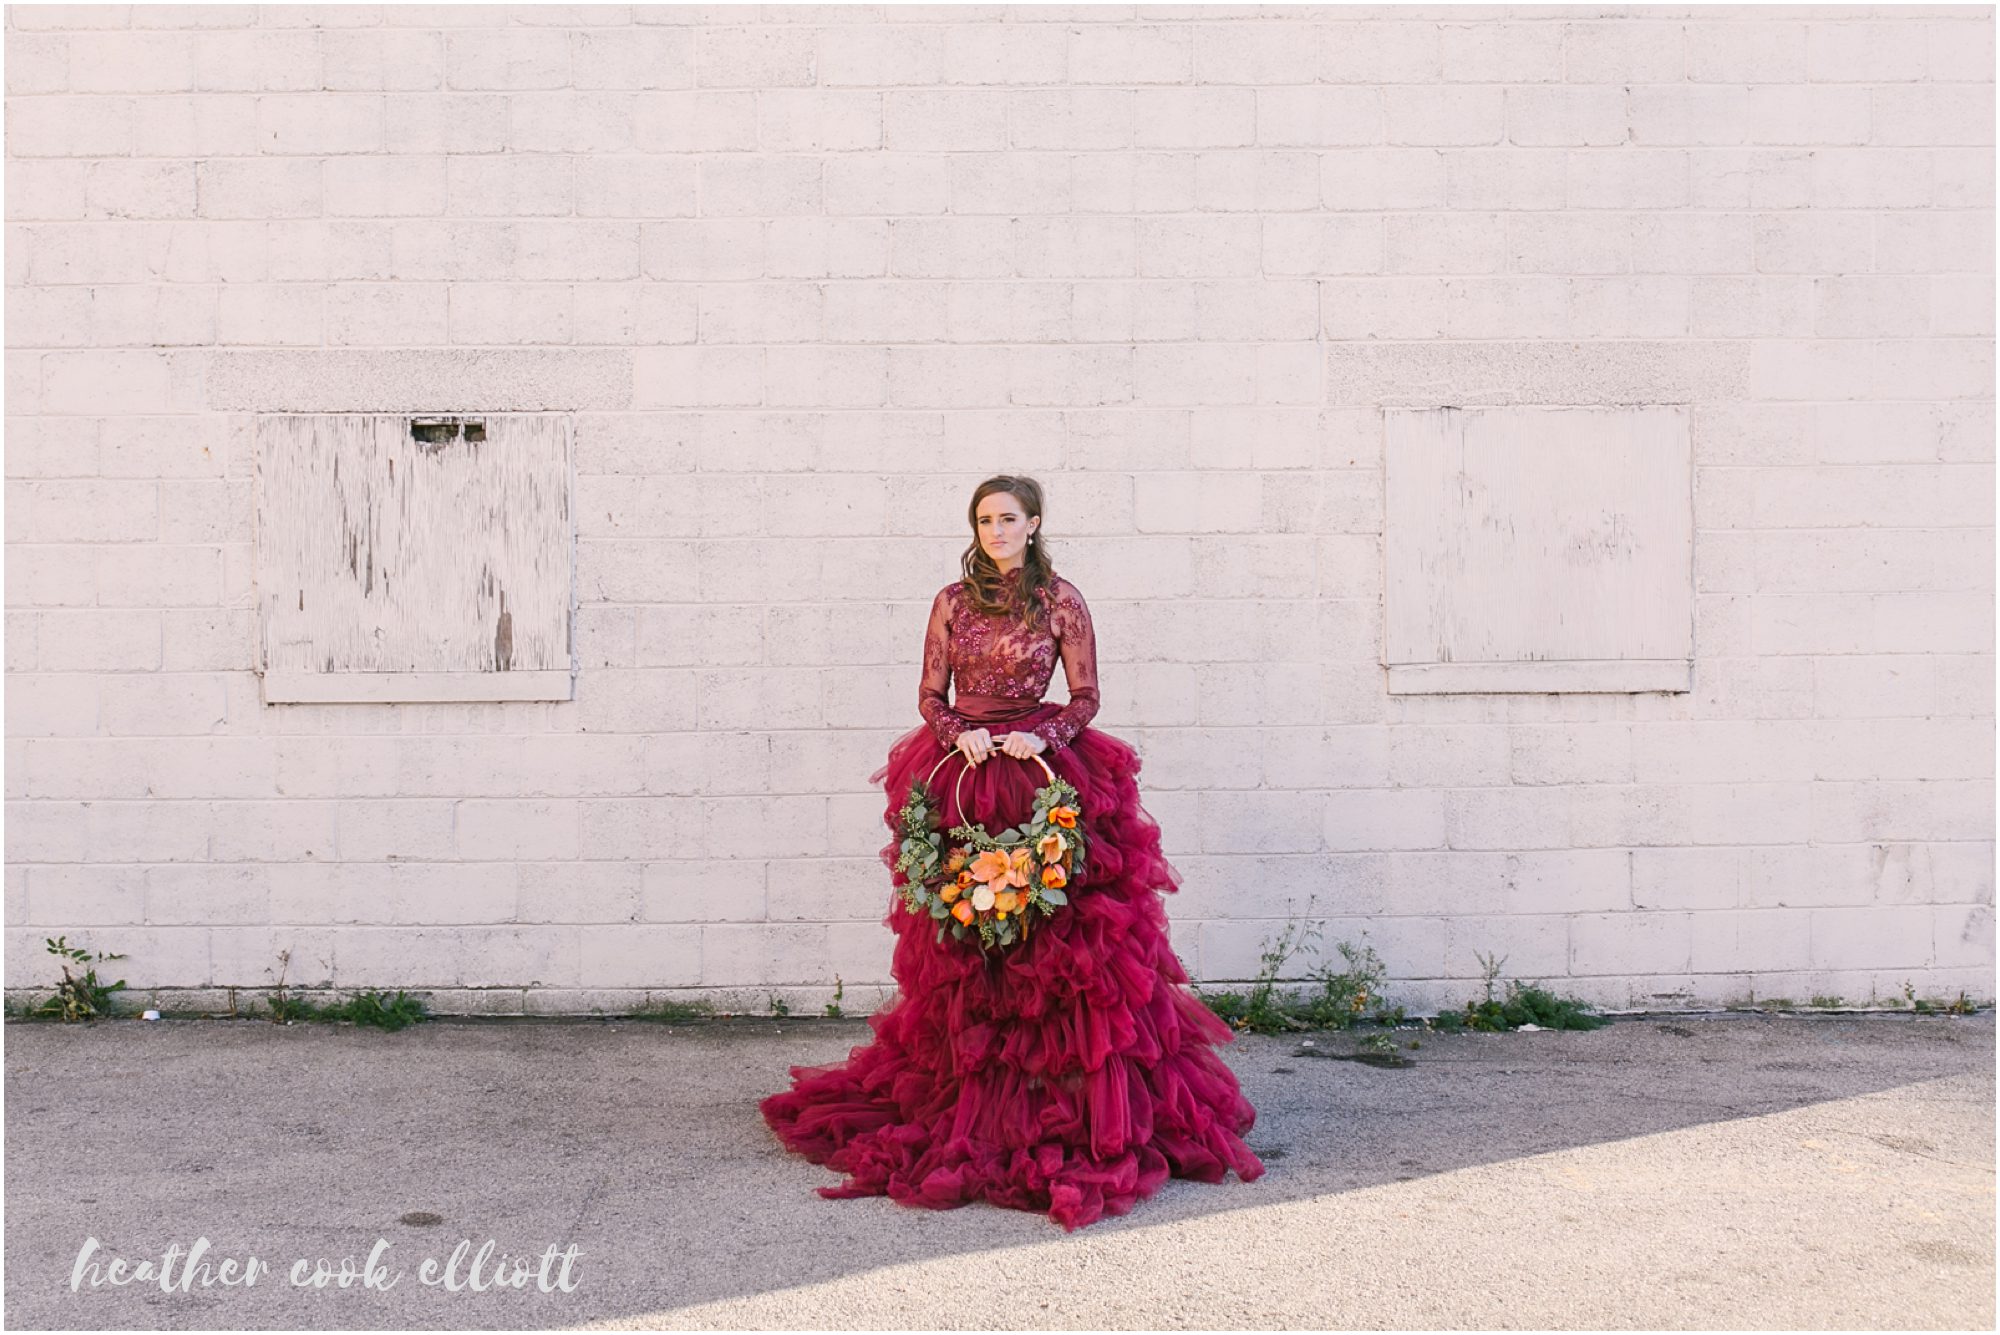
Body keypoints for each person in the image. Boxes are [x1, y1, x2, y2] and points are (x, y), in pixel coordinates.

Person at [759, 474, 1266, 1231]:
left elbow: (1087, 696)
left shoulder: (1059, 598)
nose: (995, 529)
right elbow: (928, 694)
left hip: (1040, 768)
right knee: (968, 942)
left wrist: (1048, 732)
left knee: (1060, 952)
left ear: (1033, 524)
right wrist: (951, 729)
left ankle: (1061, 1107)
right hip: (963, 769)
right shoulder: (951, 602)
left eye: (1008, 518)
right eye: (984, 519)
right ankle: (972, 1101)